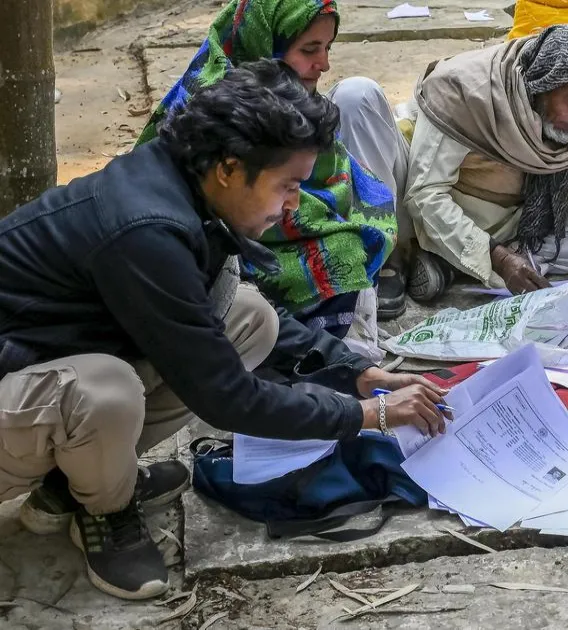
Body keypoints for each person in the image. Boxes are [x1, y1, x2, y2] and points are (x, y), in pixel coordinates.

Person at [0, 61, 448, 600]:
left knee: (249, 317)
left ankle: (73, 483)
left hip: (39, 363)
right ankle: (105, 507)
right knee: (104, 392)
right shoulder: (147, 231)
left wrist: (355, 372)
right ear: (230, 169)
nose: (294, 204)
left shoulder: (181, 183)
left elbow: (219, 320)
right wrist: (367, 415)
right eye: (288, 186)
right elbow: (225, 396)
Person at [138, 0, 414, 332]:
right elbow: (233, 213)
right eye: (309, 49)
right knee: (342, 252)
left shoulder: (292, 101)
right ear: (263, 41)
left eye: (327, 48)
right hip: (223, 249)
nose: (324, 64)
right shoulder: (217, 110)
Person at [403, 24, 568, 299]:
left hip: (522, 218)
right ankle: (478, 257)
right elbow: (425, 194)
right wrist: (500, 258)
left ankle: (454, 263)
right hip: (459, 207)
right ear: (542, 86)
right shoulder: (464, 93)